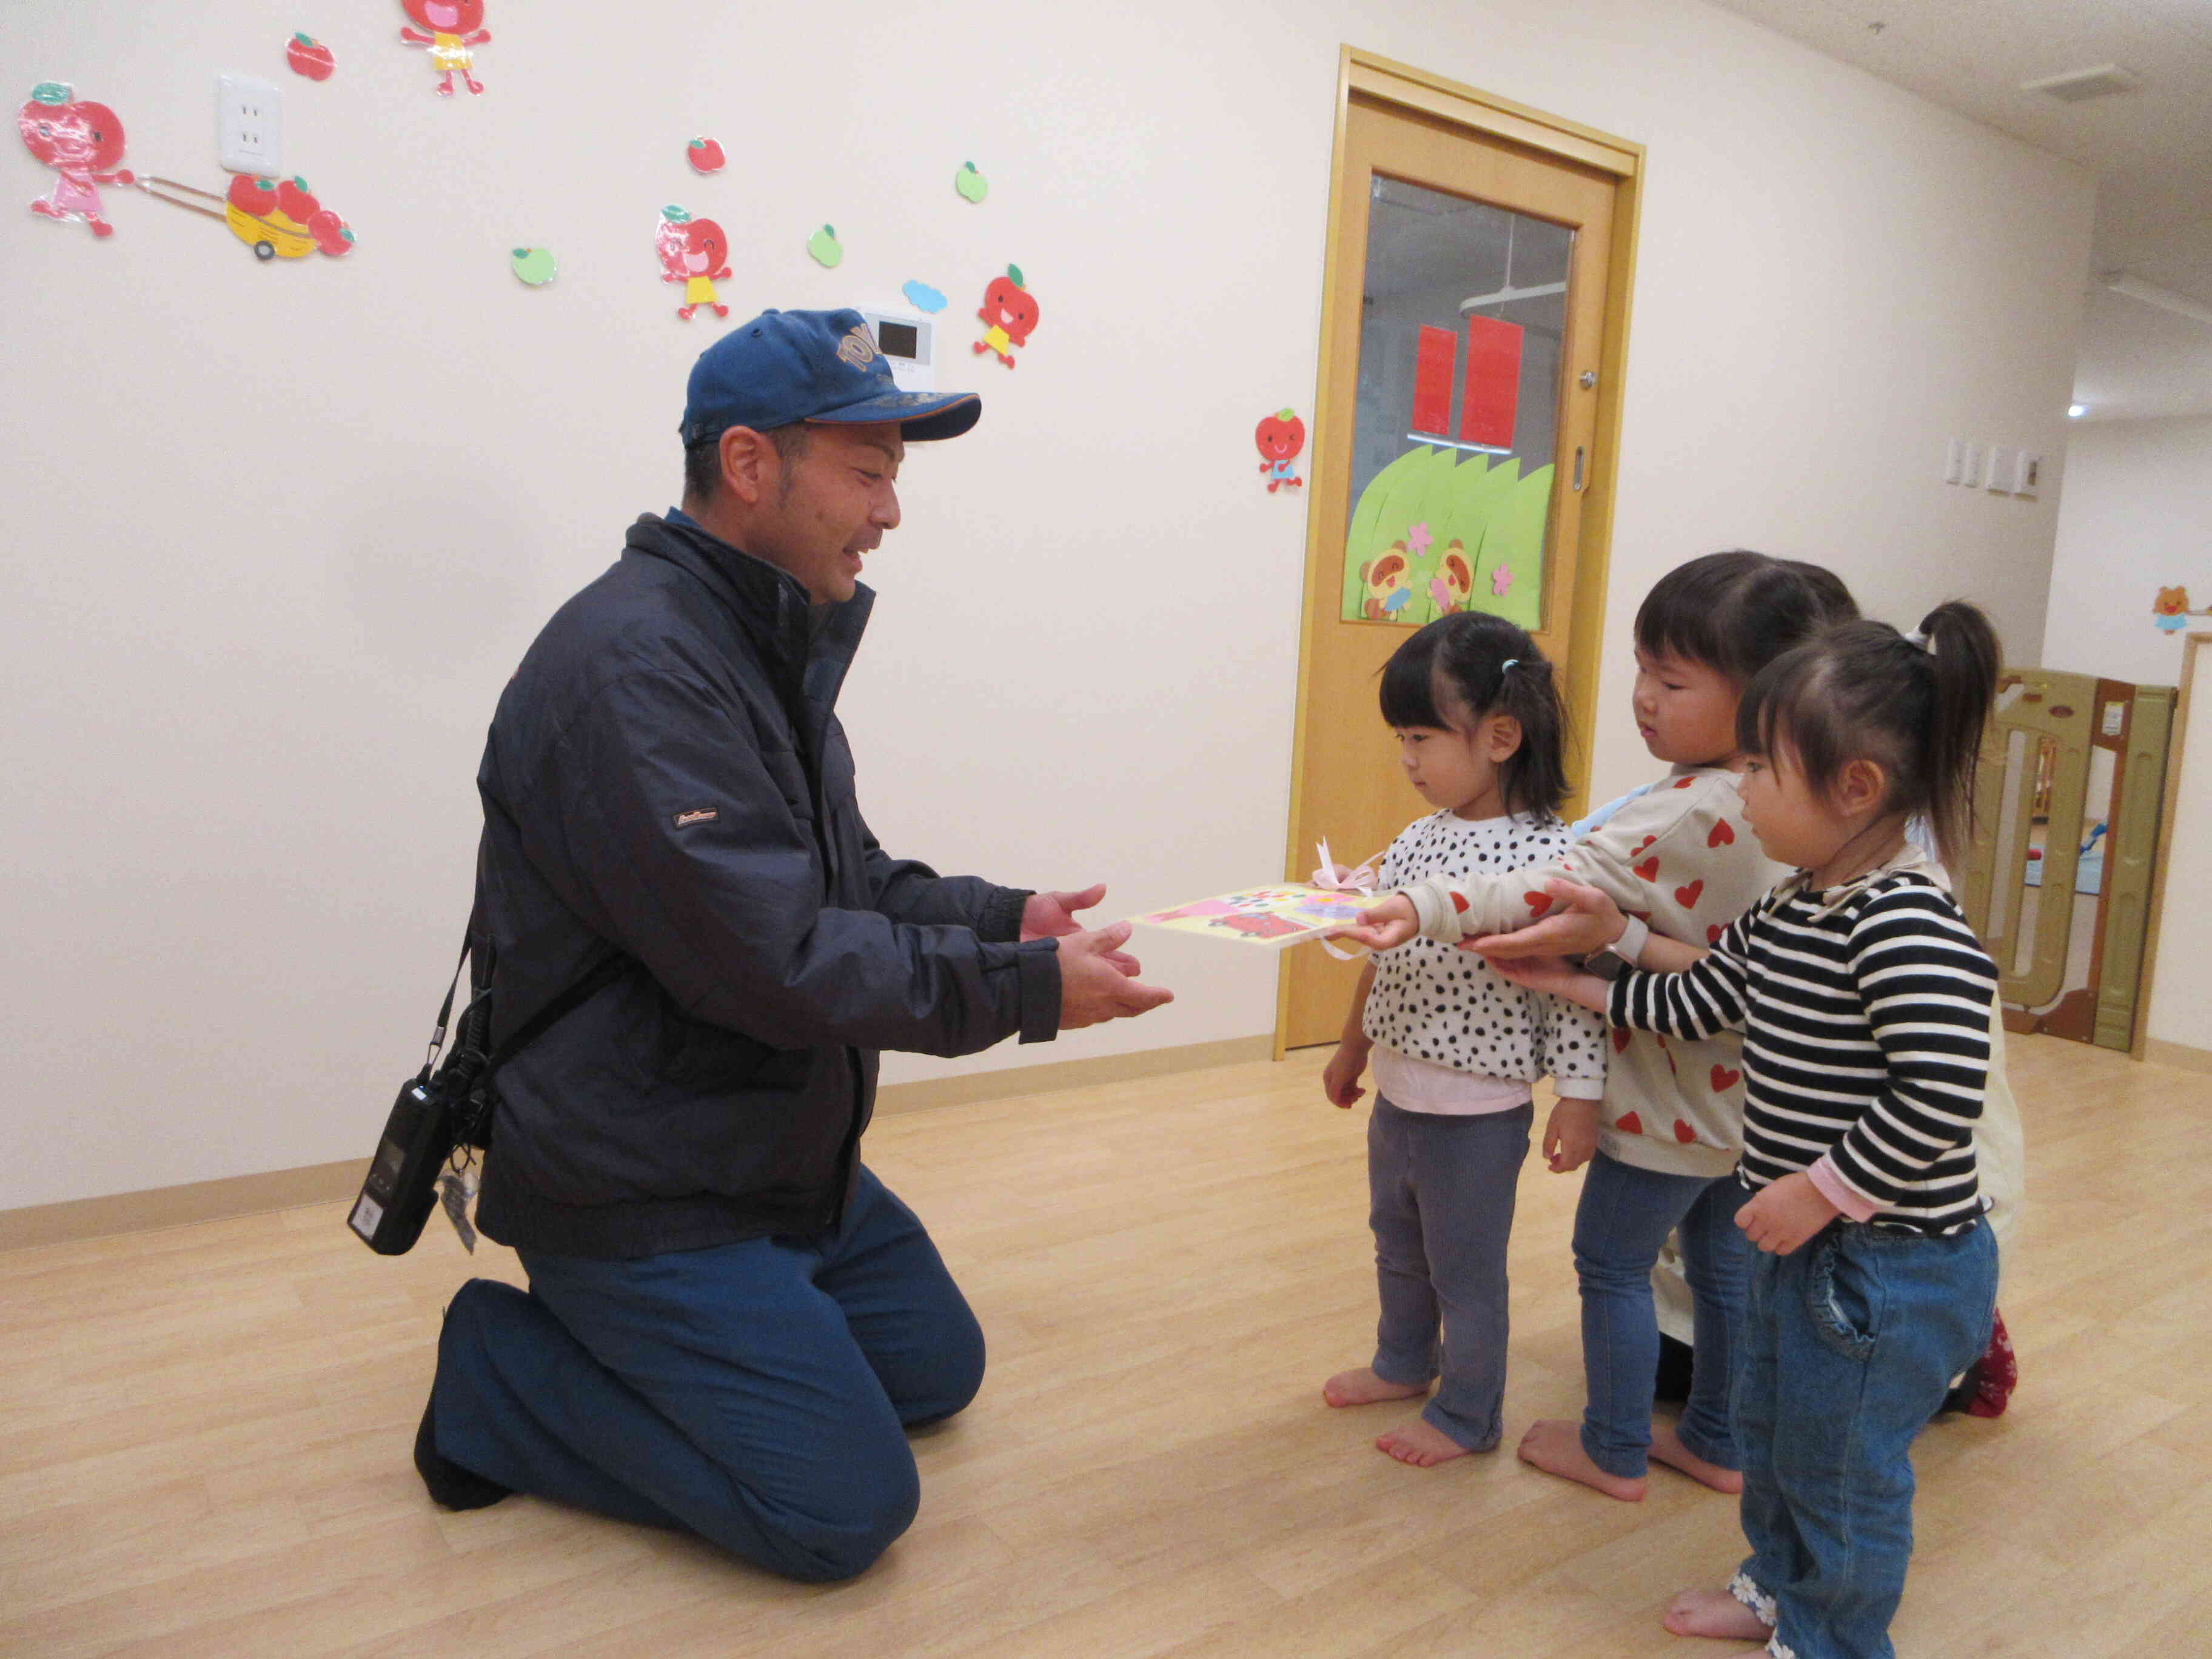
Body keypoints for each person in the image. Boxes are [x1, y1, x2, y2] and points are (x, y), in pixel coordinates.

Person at [412, 308, 1172, 1583]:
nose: (888, 513)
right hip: (641, 1183)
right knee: (841, 1511)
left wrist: (1002, 917)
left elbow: (846, 881)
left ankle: (726, 1340)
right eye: (868, 475)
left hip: (766, 1152)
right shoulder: (634, 669)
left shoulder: (762, 639)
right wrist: (1029, 990)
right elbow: (776, 962)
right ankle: (499, 1372)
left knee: (939, 1371)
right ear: (754, 466)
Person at [1491, 602, 2003, 1659]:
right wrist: (1580, 981)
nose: (1743, 791)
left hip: (1887, 1263)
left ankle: (1833, 1639)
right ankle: (1779, 1591)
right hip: (1805, 1247)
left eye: (1762, 769)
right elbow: (1708, 1001)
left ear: (1853, 787)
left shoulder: (1902, 918)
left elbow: (1945, 1090)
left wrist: (1824, 1188)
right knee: (1777, 1441)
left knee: (1845, 1469)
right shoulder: (1796, 902)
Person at [1339, 552, 1857, 1501]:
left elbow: (1543, 894)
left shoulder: (1691, 809)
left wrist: (1423, 910)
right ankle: (1717, 1440)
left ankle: (1613, 1446)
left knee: (1611, 1263)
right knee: (1723, 1273)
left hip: (1665, 1097)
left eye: (1670, 679)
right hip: (1750, 1102)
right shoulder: (1783, 802)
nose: (1644, 699)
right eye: (1642, 671)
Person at [1318, 612, 1609, 1467]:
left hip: (1478, 1113)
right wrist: (1350, 1048)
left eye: (1421, 736)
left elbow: (1574, 998)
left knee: (1465, 1271)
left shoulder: (1552, 858)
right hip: (1399, 1097)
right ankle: (1405, 1362)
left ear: (1501, 735)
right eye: (1399, 738)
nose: (1407, 758)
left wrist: (1580, 1105)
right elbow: (1384, 951)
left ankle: (1468, 1414)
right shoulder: (1417, 838)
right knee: (1396, 1242)